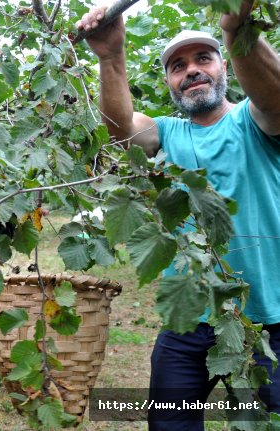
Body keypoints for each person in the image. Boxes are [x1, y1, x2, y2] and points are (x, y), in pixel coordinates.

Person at [77, 1, 280, 429]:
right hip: (190, 322)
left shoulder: (255, 118)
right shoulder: (167, 133)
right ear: (169, 81)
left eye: (203, 58)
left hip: (273, 321)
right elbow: (121, 136)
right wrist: (111, 57)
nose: (191, 70)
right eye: (178, 65)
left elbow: (274, 98)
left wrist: (236, 27)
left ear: (224, 66)